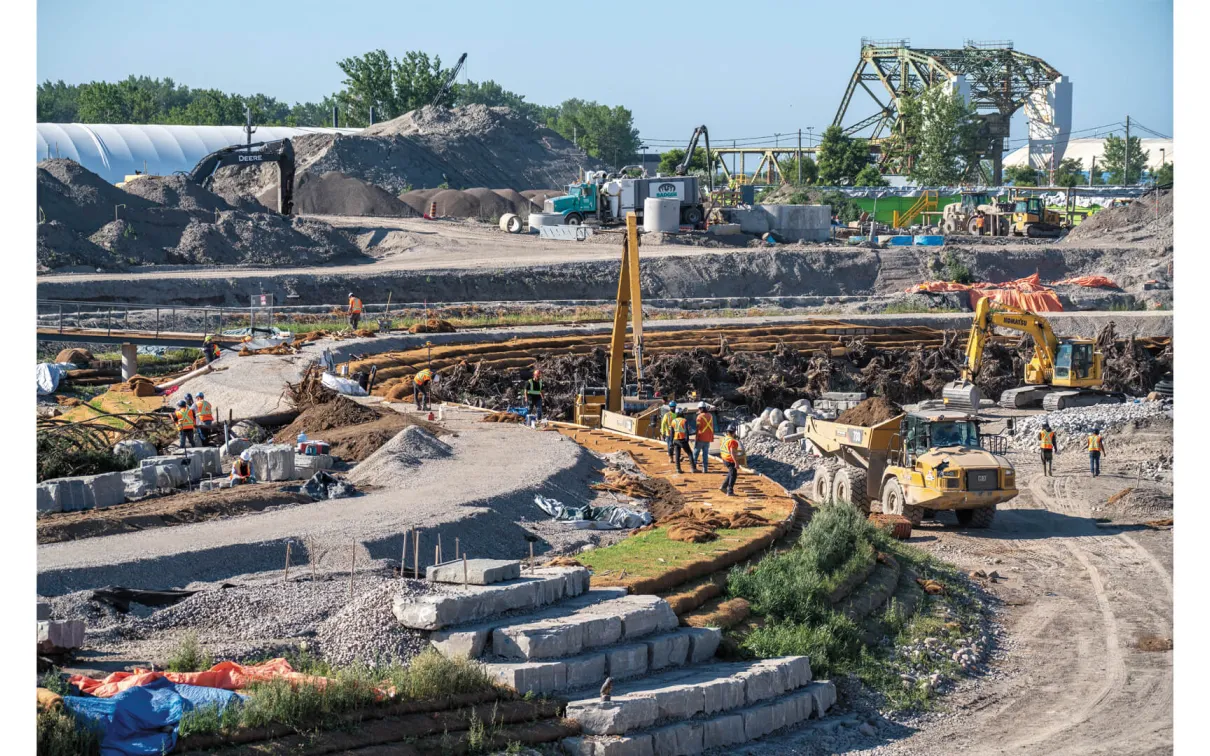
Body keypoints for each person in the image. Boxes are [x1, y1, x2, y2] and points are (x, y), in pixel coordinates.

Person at [719, 426, 742, 496]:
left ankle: (723, 486)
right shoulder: (733, 441)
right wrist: (736, 462)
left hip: (724, 458)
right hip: (729, 460)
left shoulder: (724, 439)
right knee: (733, 474)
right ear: (734, 432)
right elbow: (732, 452)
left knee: (731, 472)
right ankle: (730, 491)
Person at [693, 405, 715, 473]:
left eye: (699, 408)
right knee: (705, 454)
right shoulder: (710, 415)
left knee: (696, 453)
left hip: (700, 437)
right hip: (708, 438)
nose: (698, 410)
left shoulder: (699, 416)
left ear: (702, 409)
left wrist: (696, 437)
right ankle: (705, 469)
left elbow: (697, 428)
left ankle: (693, 468)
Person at [671, 407, 694, 474]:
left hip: (675, 439)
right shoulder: (684, 420)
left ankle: (678, 469)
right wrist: (687, 439)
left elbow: (672, 432)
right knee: (689, 453)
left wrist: (671, 442)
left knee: (677, 455)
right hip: (682, 439)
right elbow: (686, 431)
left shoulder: (673, 421)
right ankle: (693, 468)